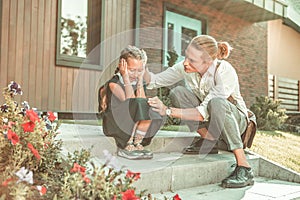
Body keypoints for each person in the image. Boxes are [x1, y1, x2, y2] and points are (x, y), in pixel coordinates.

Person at [145, 35, 255, 188]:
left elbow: (202, 113)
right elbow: (156, 80)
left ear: (208, 62)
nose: (185, 63)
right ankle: (209, 141)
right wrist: (139, 71)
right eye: (186, 57)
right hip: (213, 120)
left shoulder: (224, 71)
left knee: (216, 103)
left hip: (236, 122)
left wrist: (167, 111)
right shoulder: (186, 68)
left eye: (192, 60)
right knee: (178, 92)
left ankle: (244, 167)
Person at [99, 45, 163, 160]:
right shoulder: (114, 83)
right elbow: (130, 102)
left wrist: (140, 80)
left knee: (151, 109)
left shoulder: (137, 80)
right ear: (122, 67)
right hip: (115, 124)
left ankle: (137, 142)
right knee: (137, 103)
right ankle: (126, 145)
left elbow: (142, 104)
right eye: (132, 70)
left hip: (130, 122)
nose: (135, 74)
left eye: (139, 70)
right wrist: (126, 78)